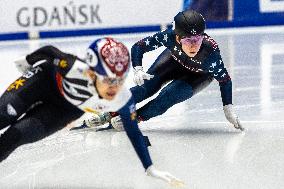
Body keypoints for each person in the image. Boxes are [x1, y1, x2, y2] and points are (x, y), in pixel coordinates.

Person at [0, 38, 183, 185]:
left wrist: (149, 167)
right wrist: (27, 61)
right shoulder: (74, 67)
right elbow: (48, 51)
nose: (115, 88)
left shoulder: (122, 98)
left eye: (120, 80)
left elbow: (133, 132)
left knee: (15, 137)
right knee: (2, 116)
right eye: (109, 80)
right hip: (42, 82)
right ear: (91, 73)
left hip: (65, 110)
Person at [80, 10, 243, 132]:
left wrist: (227, 107)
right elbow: (139, 47)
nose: (193, 45)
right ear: (177, 38)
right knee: (145, 87)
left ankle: (135, 118)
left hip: (198, 75)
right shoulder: (169, 36)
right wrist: (138, 69)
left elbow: (225, 80)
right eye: (188, 40)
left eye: (198, 39)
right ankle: (109, 112)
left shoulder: (210, 53)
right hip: (173, 62)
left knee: (169, 95)